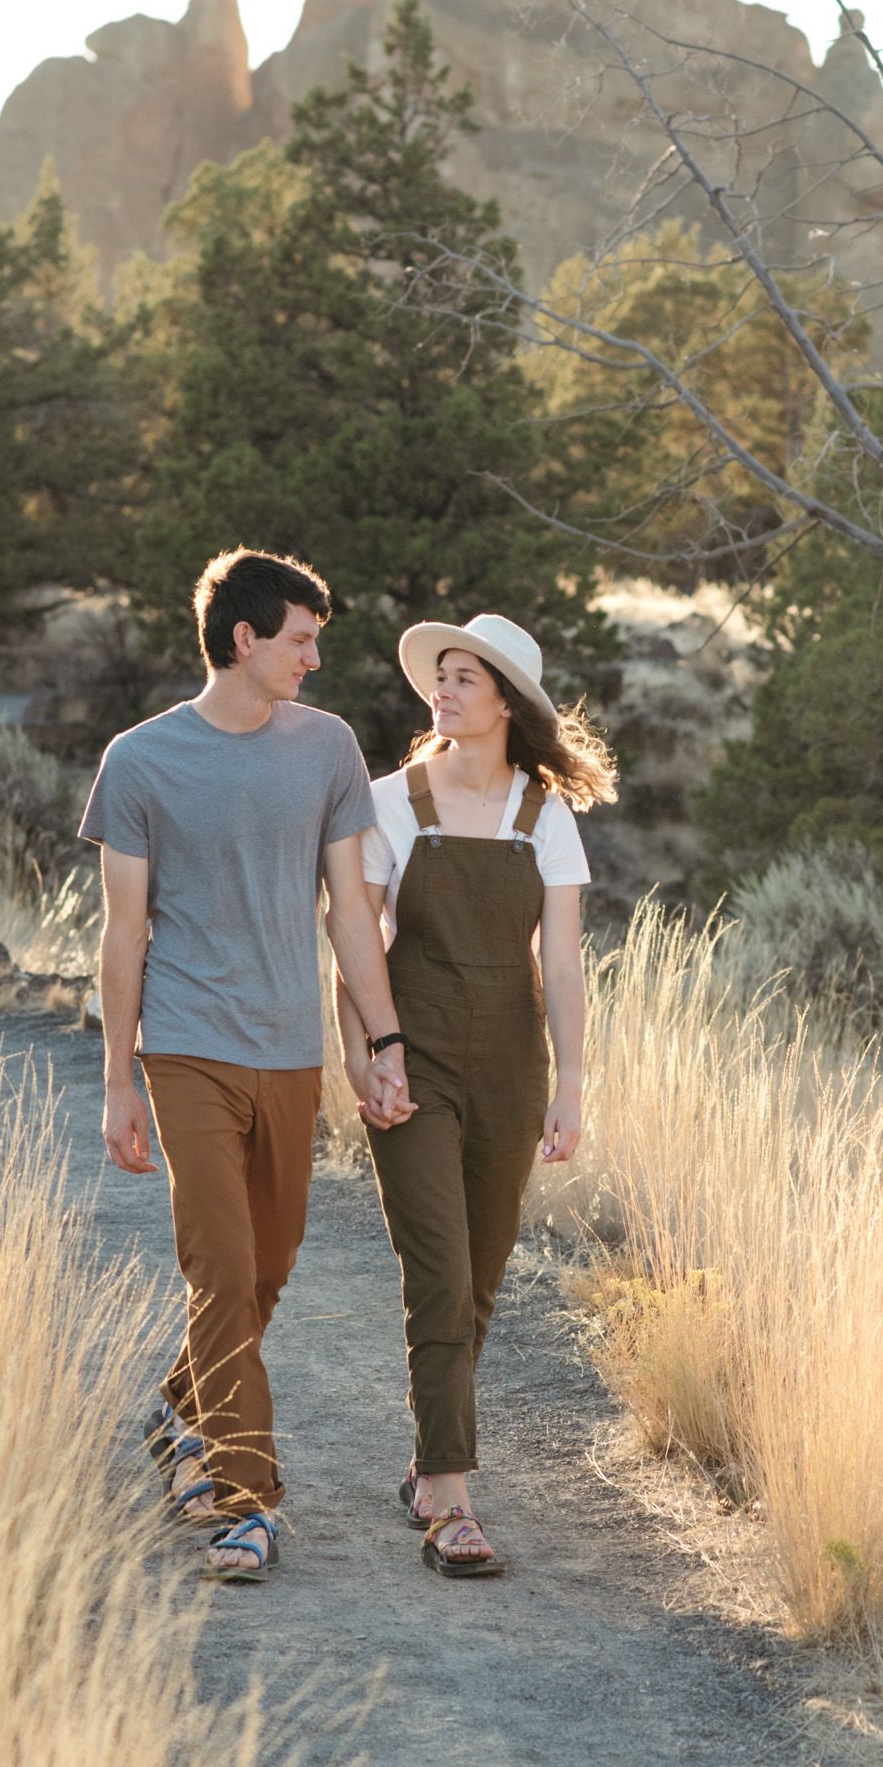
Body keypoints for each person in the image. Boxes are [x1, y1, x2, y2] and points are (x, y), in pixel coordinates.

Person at [82, 548, 413, 1584]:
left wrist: (383, 1039)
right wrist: (116, 1077)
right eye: (301, 638)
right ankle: (246, 1502)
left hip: (288, 1051)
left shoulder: (326, 750)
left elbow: (349, 911)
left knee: (263, 1275)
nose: (314, 657)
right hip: (184, 1049)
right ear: (244, 640)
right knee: (219, 1270)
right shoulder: (139, 762)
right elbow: (122, 932)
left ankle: (179, 1409)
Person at [336, 614, 616, 1578]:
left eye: (464, 679)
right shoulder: (388, 802)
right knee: (442, 1276)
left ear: (507, 702)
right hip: (410, 1059)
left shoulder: (547, 819)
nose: (442, 693)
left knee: (482, 1278)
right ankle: (452, 1498)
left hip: (510, 1064)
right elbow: (354, 942)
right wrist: (363, 1054)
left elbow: (566, 968)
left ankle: (426, 1462)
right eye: (439, 678)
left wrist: (571, 1082)